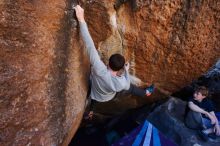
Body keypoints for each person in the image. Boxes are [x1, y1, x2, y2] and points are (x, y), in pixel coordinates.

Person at [74, 5, 154, 119]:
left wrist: (81, 19)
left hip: (95, 91)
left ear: (108, 63)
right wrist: (125, 71)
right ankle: (147, 93)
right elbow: (127, 85)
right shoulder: (122, 83)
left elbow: (90, 46)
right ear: (120, 68)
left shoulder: (99, 69)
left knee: (94, 97)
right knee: (131, 89)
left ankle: (90, 111)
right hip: (107, 96)